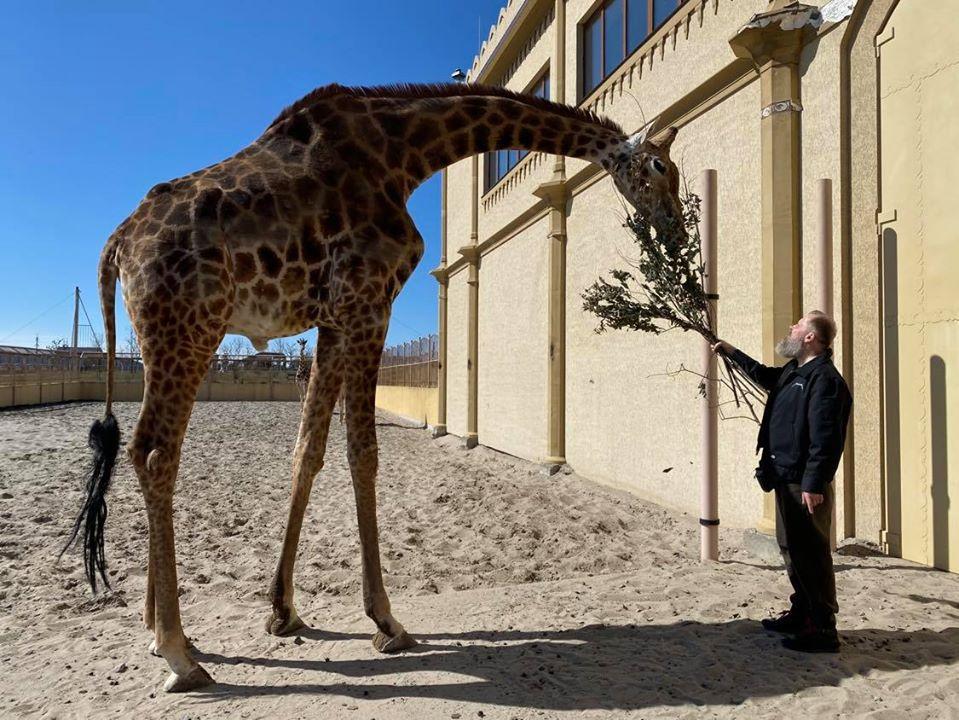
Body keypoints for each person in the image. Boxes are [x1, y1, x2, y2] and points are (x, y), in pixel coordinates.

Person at [711, 310, 852, 653]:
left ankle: (823, 629)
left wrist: (814, 484)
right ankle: (802, 612)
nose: (792, 327)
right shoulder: (794, 370)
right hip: (784, 476)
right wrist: (729, 351)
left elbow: (826, 438)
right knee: (791, 549)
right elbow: (763, 375)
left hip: (804, 484)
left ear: (810, 337)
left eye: (799, 324)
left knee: (812, 554)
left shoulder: (825, 380)